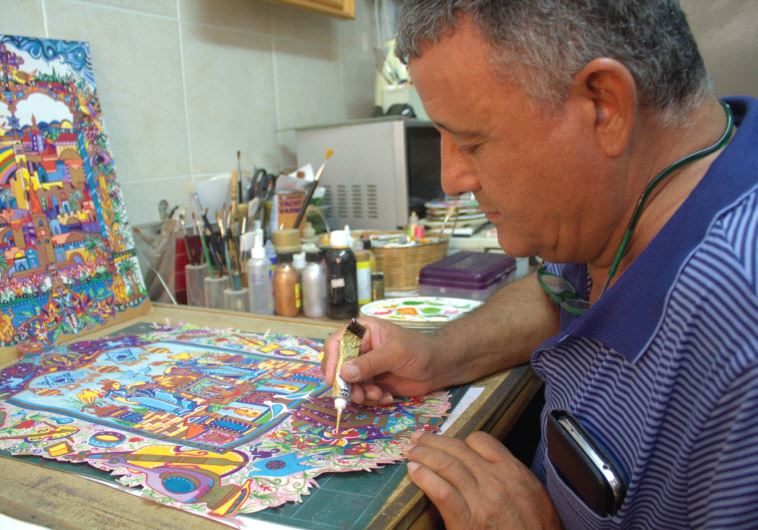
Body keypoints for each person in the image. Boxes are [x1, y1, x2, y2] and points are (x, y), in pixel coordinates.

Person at [321, 1, 757, 528]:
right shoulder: (630, 201)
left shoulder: (740, 331)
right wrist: (438, 355)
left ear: (605, 106)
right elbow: (561, 291)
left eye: (472, 141)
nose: (452, 180)